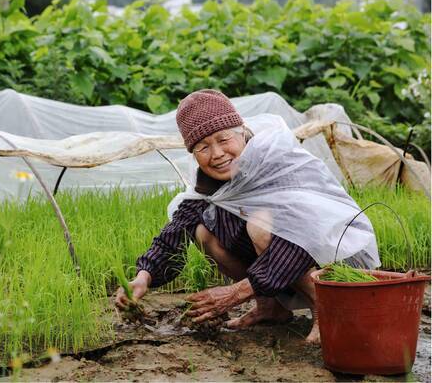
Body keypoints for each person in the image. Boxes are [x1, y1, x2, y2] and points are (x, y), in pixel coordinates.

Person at [114, 89, 380, 344]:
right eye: (203, 147)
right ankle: (270, 307)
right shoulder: (209, 184)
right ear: (193, 154)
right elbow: (175, 232)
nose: (217, 154)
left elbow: (302, 239)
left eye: (223, 139)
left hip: (329, 250)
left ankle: (326, 308)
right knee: (203, 230)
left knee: (259, 225)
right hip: (279, 260)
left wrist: (234, 293)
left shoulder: (277, 161)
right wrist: (143, 276)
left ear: (241, 132)